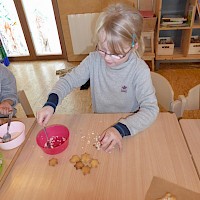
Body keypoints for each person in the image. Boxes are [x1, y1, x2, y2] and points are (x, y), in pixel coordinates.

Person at [37, 3, 159, 152]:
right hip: (99, 120)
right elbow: (68, 81)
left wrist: (121, 129)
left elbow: (150, 109)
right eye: (102, 49)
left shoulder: (139, 70)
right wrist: (51, 103)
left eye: (116, 53)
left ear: (134, 46)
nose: (107, 58)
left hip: (128, 126)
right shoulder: (94, 60)